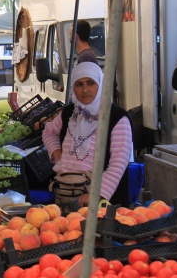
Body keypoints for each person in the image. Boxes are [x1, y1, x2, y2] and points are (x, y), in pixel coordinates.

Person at [42, 61, 133, 208]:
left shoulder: (117, 118)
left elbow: (118, 162)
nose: (85, 90)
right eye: (79, 84)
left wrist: (97, 193)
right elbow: (48, 132)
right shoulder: (69, 113)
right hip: (66, 196)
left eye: (91, 83)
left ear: (100, 84)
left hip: (103, 204)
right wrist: (57, 155)